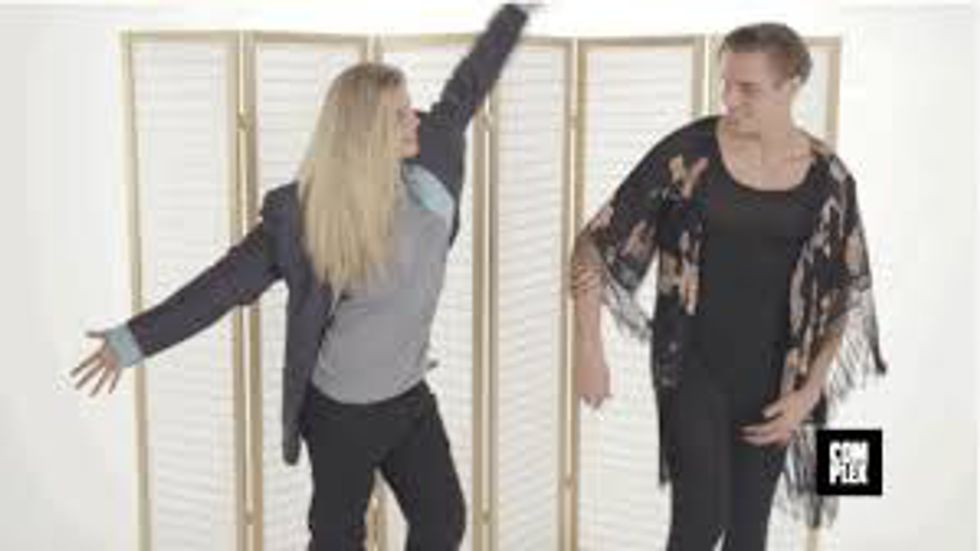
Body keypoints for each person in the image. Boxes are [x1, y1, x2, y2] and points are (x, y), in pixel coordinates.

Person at [70, 5, 533, 550]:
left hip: (409, 397)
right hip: (340, 414)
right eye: (400, 115)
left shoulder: (432, 155)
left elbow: (470, 80)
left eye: (410, 108)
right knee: (336, 539)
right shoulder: (305, 217)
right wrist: (130, 341)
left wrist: (516, 13)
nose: (417, 119)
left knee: (443, 521)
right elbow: (219, 289)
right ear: (365, 132)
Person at [570, 22, 886, 550]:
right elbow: (594, 244)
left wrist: (809, 393)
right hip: (693, 369)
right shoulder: (689, 153)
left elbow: (843, 295)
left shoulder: (830, 179)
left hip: (776, 384)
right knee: (699, 524)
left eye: (748, 88)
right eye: (726, 83)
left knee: (747, 535)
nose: (729, 99)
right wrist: (588, 348)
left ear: (791, 86)